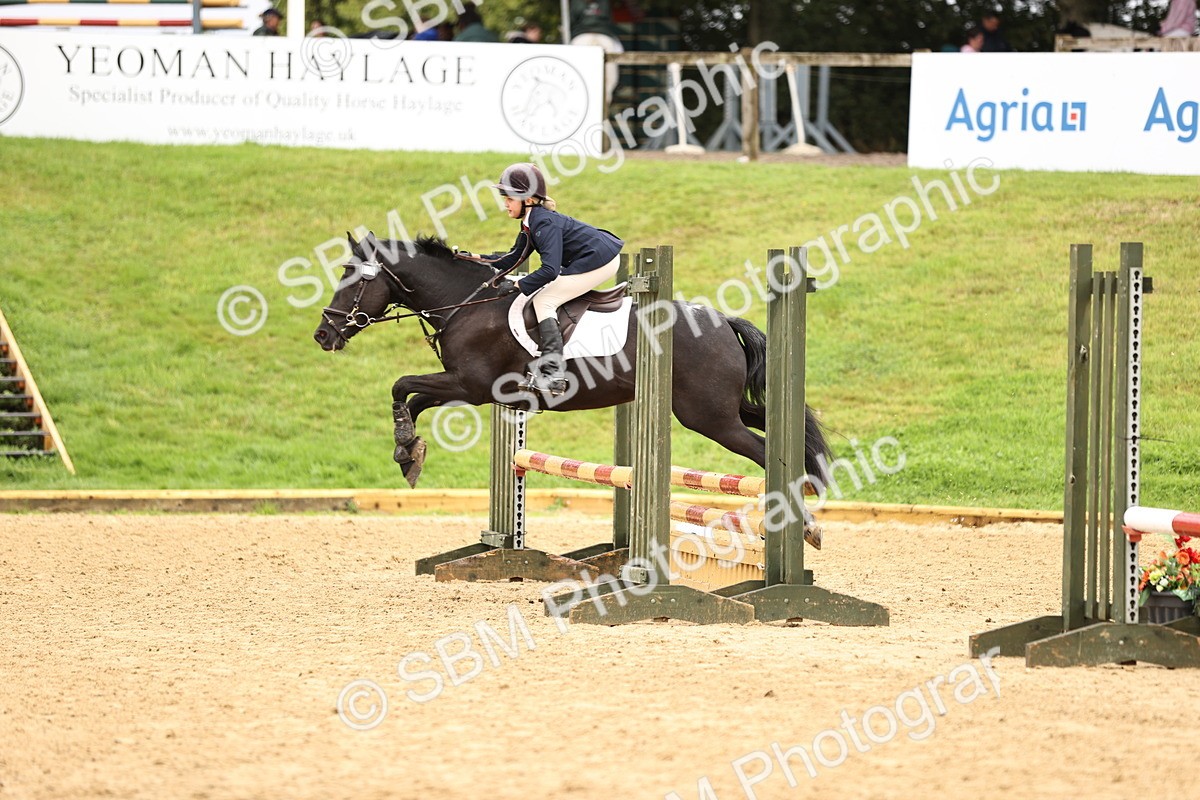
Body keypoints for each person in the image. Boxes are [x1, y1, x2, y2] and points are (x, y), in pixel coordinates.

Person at [479, 163, 623, 394]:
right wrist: (471, 258)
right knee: (545, 295)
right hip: (595, 255)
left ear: (528, 199)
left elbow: (550, 270)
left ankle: (553, 374)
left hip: (601, 260)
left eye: (509, 198)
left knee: (544, 301)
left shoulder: (542, 222)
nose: (505, 203)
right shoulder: (531, 221)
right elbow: (512, 258)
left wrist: (517, 284)